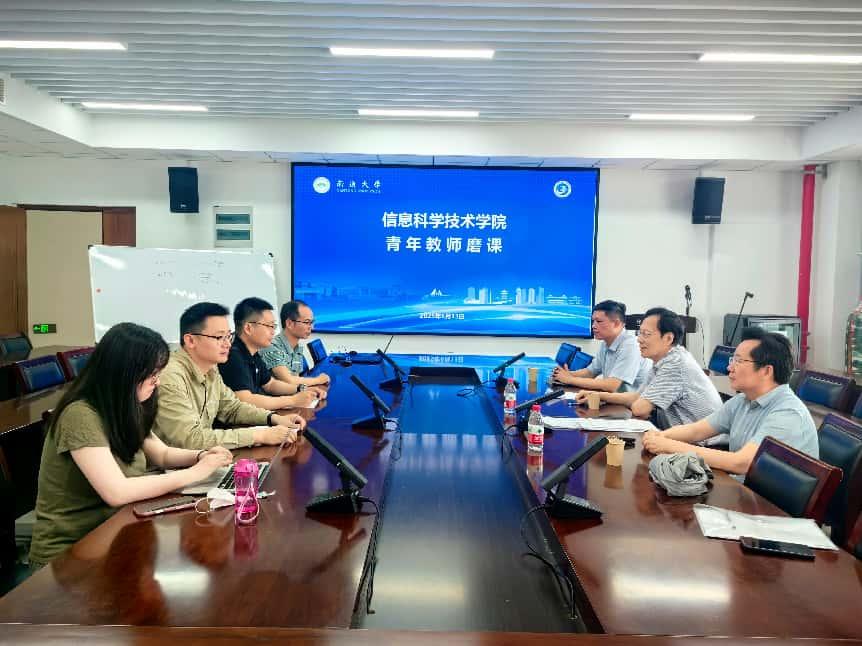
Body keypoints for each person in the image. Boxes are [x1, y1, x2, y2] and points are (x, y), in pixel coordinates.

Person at [29, 323, 234, 568]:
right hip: (71, 553)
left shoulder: (126, 405)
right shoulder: (80, 415)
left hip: (117, 533)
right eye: (152, 375)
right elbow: (117, 492)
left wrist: (201, 456)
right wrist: (195, 473)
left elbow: (162, 454)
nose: (158, 382)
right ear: (125, 374)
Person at [643, 327, 817, 475]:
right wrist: (660, 436)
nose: (729, 367)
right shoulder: (743, 400)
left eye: (738, 361)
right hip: (743, 489)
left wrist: (668, 445)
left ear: (766, 371)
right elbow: (697, 430)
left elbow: (741, 463)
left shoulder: (788, 414)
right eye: (732, 360)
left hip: (769, 502)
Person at [153, 302, 305, 450]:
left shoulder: (211, 369)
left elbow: (232, 408)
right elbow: (190, 439)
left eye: (228, 336)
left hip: (202, 457)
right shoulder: (171, 377)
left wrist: (273, 418)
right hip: (173, 464)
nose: (228, 344)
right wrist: (260, 435)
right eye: (219, 337)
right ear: (191, 340)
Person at [576, 307, 722, 426]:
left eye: (646, 334)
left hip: (703, 443)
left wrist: (636, 402)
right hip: (682, 436)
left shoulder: (676, 365)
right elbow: (637, 396)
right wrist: (598, 396)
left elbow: (640, 409)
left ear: (668, 338)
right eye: (639, 333)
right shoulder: (662, 361)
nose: (639, 339)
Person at [219, 297, 325, 411]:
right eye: (269, 326)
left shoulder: (253, 353)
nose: (273, 332)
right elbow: (246, 400)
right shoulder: (233, 356)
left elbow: (270, 384)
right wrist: (293, 400)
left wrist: (301, 389)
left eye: (274, 326)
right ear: (248, 328)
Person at [552, 300, 651, 392]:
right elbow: (590, 372)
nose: (593, 326)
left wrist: (570, 379)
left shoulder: (631, 346)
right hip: (613, 398)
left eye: (599, 321)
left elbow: (612, 385)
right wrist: (567, 375)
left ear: (616, 323)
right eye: (593, 321)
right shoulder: (606, 342)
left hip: (632, 403)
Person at [259, 300, 330, 388]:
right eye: (307, 322)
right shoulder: (271, 346)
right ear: (289, 323)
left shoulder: (297, 347)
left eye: (312, 322)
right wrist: (318, 380)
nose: (312, 327)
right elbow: (289, 381)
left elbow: (296, 379)